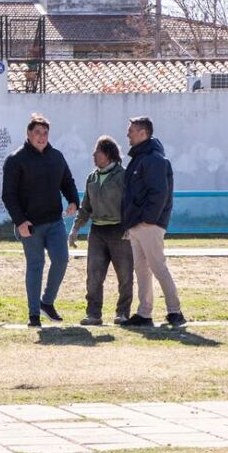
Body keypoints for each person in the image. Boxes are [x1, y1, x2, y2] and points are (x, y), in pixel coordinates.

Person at [2, 113, 79, 327]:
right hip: (30, 225)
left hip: (55, 221)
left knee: (62, 260)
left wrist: (73, 201)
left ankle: (47, 302)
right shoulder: (15, 159)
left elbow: (67, 181)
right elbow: (8, 195)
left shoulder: (57, 157)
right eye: (37, 133)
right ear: (28, 134)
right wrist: (20, 221)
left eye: (45, 133)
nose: (42, 137)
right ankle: (34, 314)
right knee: (36, 266)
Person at [121, 116, 187, 329]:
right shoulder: (139, 159)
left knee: (158, 267)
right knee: (141, 270)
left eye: (131, 130)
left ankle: (175, 311)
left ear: (143, 133)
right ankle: (144, 313)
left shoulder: (154, 160)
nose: (128, 134)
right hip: (136, 224)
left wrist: (149, 220)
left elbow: (159, 193)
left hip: (148, 225)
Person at [69, 136, 133, 326]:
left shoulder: (124, 176)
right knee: (94, 275)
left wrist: (130, 226)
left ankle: (123, 313)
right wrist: (75, 229)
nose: (93, 155)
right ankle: (93, 314)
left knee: (125, 274)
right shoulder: (92, 177)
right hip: (97, 232)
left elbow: (131, 203)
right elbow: (85, 207)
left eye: (97, 151)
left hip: (119, 230)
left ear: (108, 153)